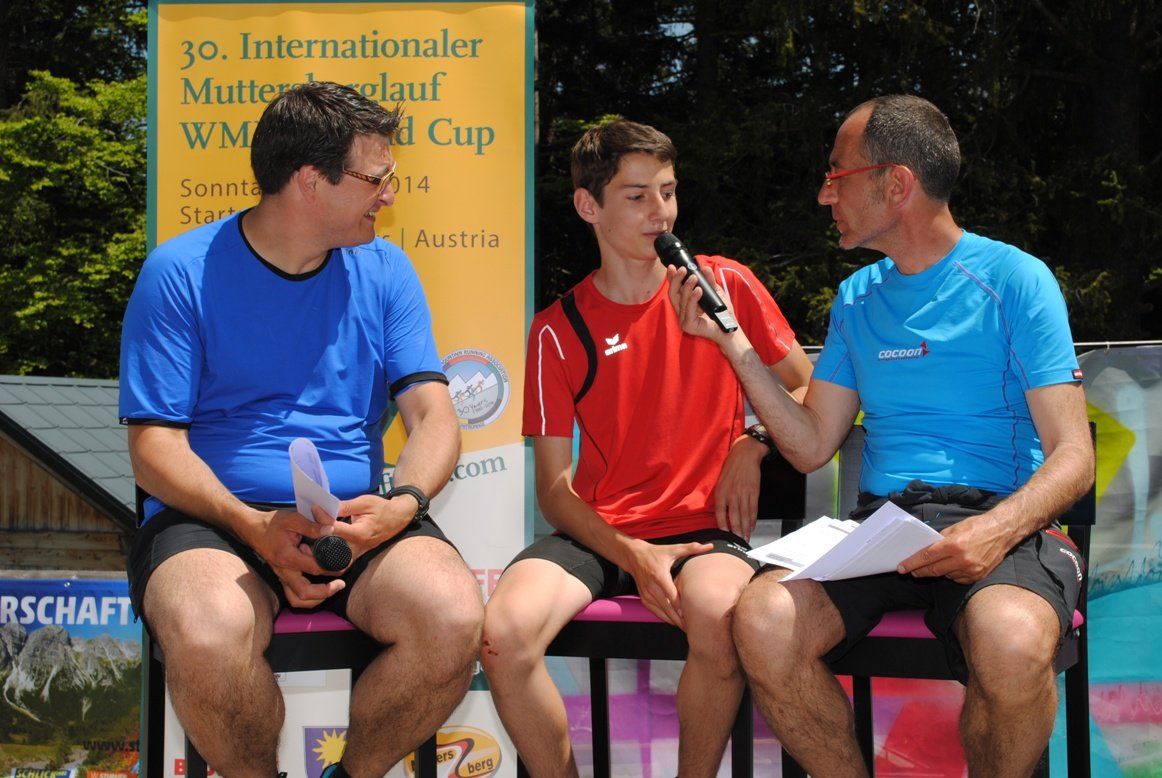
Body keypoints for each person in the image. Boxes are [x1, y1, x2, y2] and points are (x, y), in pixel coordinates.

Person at [669, 94, 1094, 776]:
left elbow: (1074, 456)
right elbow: (811, 444)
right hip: (885, 529)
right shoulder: (857, 296)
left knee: (1012, 640)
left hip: (1001, 520)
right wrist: (731, 343)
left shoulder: (1015, 279)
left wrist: (993, 531)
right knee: (763, 620)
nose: (823, 194)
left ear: (896, 184)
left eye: (835, 175)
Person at [119, 81, 484, 778]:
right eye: (376, 179)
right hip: (215, 517)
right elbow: (153, 448)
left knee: (452, 618)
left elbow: (433, 414)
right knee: (209, 632)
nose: (389, 195)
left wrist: (402, 504)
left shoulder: (386, 268)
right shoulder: (179, 271)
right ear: (310, 181)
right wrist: (253, 526)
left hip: (352, 517)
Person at [481, 119, 813, 777]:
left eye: (668, 190)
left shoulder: (725, 285)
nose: (660, 211)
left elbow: (806, 391)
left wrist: (752, 444)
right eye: (637, 196)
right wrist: (632, 554)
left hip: (701, 529)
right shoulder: (555, 329)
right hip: (599, 533)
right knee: (502, 637)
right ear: (589, 206)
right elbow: (554, 490)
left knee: (720, 617)